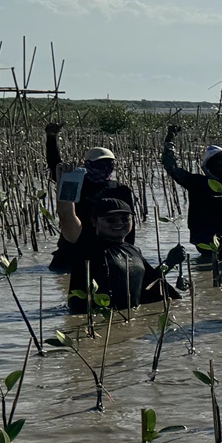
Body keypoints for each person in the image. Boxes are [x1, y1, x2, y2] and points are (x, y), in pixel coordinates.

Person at [54, 167, 177, 314]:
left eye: (124, 219)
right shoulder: (86, 246)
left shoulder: (133, 251)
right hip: (94, 326)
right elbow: (66, 216)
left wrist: (170, 263)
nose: (118, 223)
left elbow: (148, 286)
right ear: (94, 221)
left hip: (127, 322)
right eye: (110, 219)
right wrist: (67, 181)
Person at [44, 122, 137, 271]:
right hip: (75, 245)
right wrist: (51, 138)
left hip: (107, 249)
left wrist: (129, 252)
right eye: (100, 163)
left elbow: (129, 223)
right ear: (87, 164)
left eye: (109, 163)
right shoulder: (76, 184)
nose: (105, 167)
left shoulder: (121, 190)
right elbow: (55, 166)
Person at [162, 125, 222, 262]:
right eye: (218, 165)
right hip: (203, 239)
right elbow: (171, 167)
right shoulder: (197, 182)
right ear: (208, 167)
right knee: (209, 266)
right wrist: (169, 141)